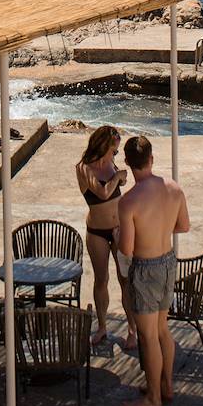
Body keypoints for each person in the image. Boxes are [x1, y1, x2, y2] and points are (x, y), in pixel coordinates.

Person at [116, 135, 189, 406]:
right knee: (161, 329)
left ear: (127, 163)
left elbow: (127, 248)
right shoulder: (174, 188)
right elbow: (183, 227)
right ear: (151, 159)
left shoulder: (129, 202)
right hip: (168, 262)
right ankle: (166, 386)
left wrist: (120, 233)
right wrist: (160, 227)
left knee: (147, 336)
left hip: (145, 268)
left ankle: (154, 399)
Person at [75, 125, 134, 348]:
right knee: (102, 280)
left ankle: (132, 329)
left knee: (125, 279)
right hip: (97, 232)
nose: (115, 155)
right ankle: (102, 327)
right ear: (102, 148)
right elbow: (102, 192)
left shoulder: (111, 163)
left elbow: (117, 187)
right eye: (113, 151)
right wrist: (118, 176)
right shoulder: (83, 168)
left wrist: (120, 177)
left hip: (119, 228)